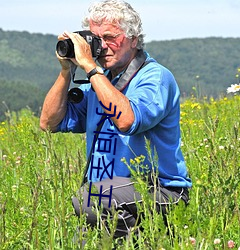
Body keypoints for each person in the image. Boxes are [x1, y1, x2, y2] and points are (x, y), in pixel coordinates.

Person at [40, 0, 192, 244]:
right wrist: (66, 70)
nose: (102, 47)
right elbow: (49, 123)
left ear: (133, 39)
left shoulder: (154, 77)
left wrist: (90, 68)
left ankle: (148, 239)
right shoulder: (99, 82)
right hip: (109, 198)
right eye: (96, 39)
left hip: (160, 191)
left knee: (89, 199)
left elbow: (127, 121)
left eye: (110, 37)